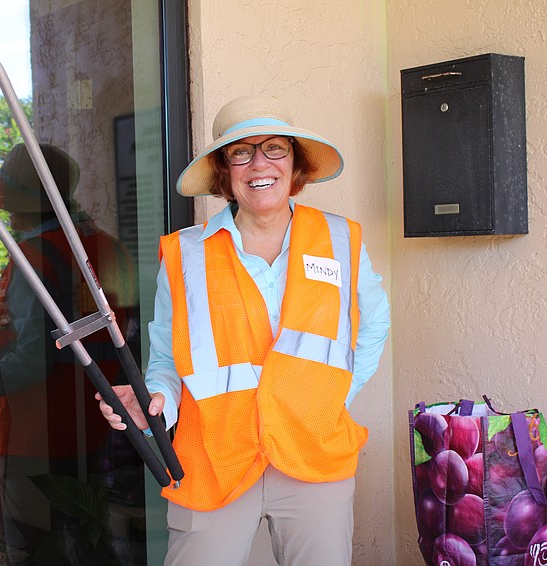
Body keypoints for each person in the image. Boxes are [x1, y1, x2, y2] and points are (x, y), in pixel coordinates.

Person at [97, 94, 391, 565]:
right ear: (224, 170)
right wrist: (154, 403)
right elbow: (170, 360)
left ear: (295, 162)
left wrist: (330, 400)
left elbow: (374, 324)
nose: (260, 163)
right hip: (215, 457)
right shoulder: (186, 255)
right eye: (241, 151)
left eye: (275, 148)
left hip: (314, 456)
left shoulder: (341, 239)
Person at [0, 143, 139, 565]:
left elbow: (28, 362)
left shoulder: (32, 260)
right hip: (100, 432)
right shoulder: (112, 249)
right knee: (91, 544)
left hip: (32, 438)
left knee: (35, 552)